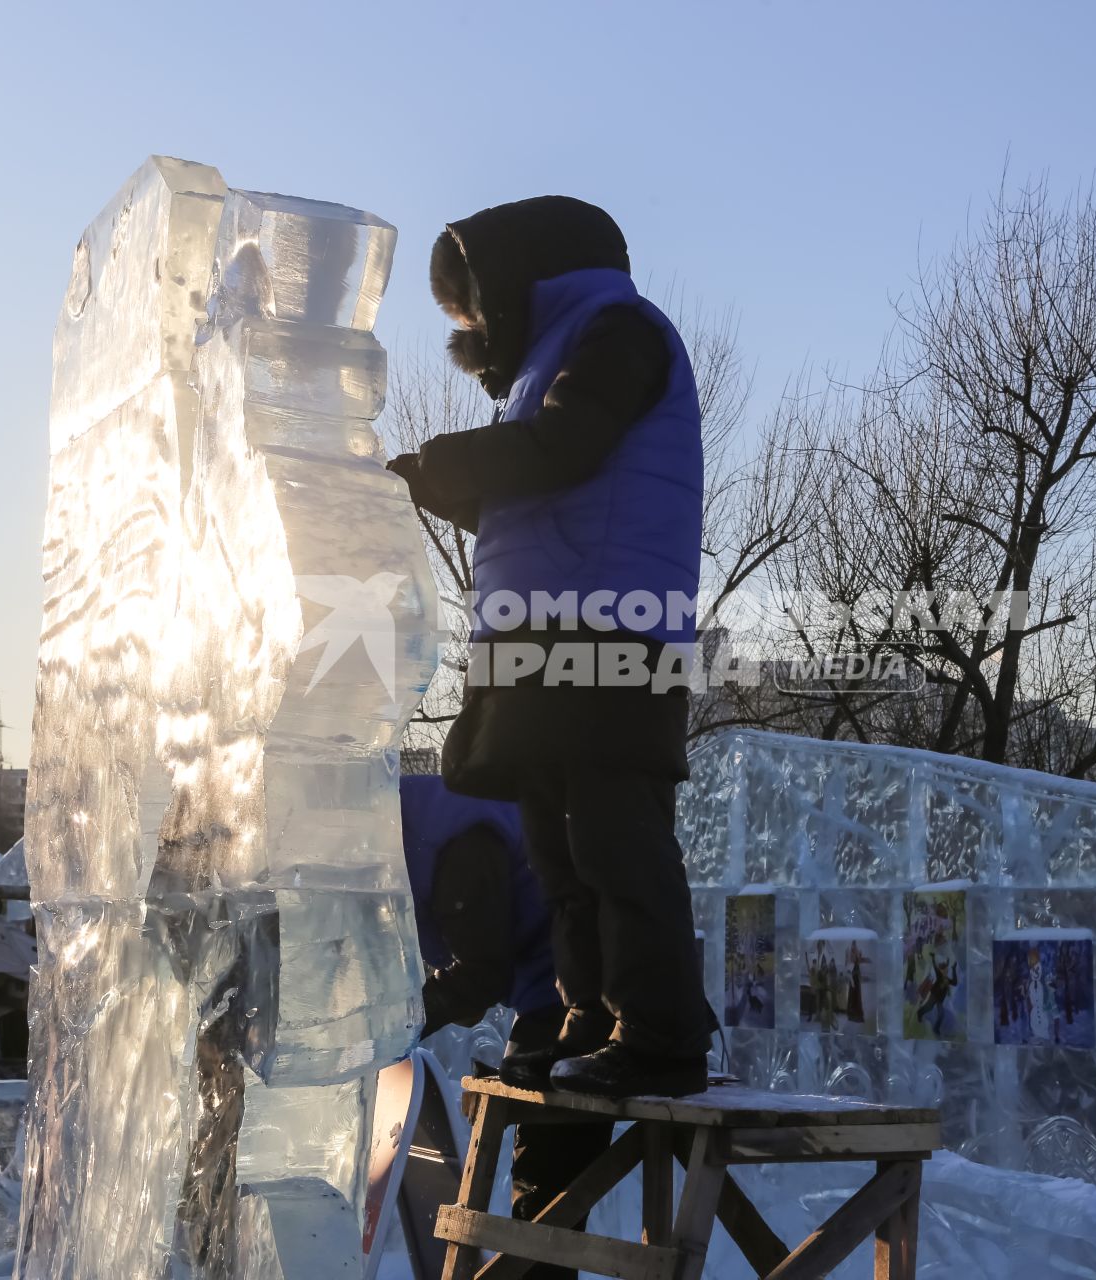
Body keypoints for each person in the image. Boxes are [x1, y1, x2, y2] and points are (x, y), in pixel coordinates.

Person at [387, 197, 711, 1098]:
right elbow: (529, 491)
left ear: (519, 276)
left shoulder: (620, 330)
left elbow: (567, 447)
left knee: (615, 839)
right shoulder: (543, 368)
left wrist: (451, 465)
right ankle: (592, 1014)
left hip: (612, 630)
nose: (476, 329)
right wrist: (431, 485)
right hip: (536, 637)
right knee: (558, 855)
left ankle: (663, 1032)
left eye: (475, 308)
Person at [400, 773, 609, 1280]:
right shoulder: (427, 825)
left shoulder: (454, 847)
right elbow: (478, 966)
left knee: (547, 1184)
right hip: (566, 983)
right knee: (546, 1183)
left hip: (589, 992)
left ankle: (537, 1269)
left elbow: (480, 975)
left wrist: (390, 1027)